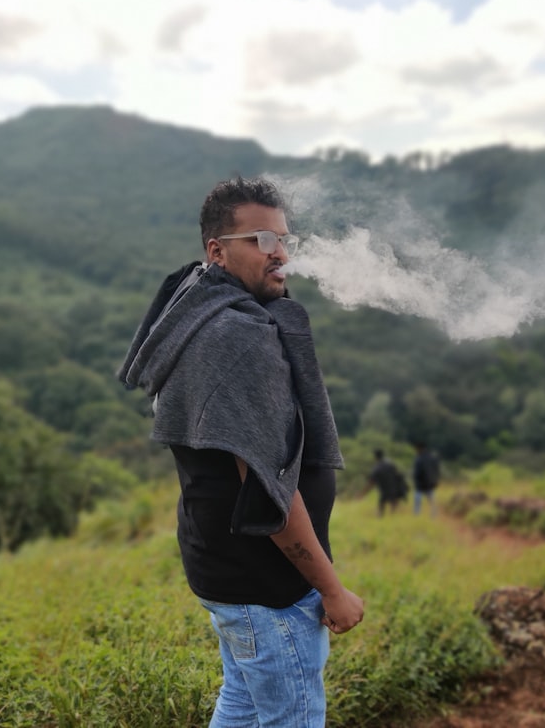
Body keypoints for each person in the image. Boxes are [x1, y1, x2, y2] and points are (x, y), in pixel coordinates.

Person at [117, 176, 364, 727]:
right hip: (267, 586)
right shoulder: (235, 337)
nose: (279, 253)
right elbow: (267, 492)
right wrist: (332, 589)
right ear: (217, 251)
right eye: (260, 239)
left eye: (282, 238)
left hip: (225, 572)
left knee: (244, 705)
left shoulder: (193, 303)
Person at [367, 448, 407, 517]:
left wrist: (362, 494)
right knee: (393, 506)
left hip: (384, 490)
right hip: (394, 489)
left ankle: (382, 518)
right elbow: (397, 475)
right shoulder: (390, 464)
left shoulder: (377, 468)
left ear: (375, 457)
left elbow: (372, 482)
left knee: (381, 507)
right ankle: (393, 518)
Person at [411, 441, 440, 516]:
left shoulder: (418, 459)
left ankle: (416, 515)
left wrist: (415, 478)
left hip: (420, 483)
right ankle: (434, 514)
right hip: (430, 482)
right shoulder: (432, 457)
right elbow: (436, 469)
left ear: (419, 448)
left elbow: (417, 472)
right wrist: (435, 480)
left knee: (417, 500)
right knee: (431, 500)